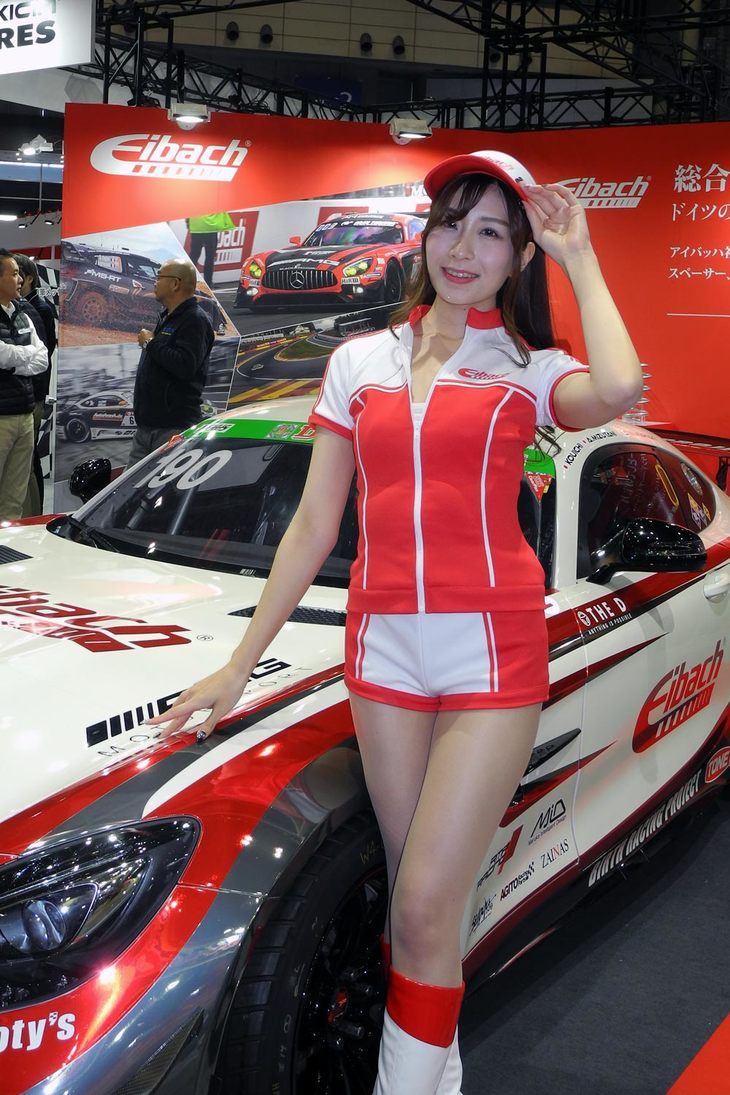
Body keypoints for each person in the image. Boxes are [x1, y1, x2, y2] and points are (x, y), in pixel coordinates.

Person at [148, 150, 642, 1093]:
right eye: (452, 222)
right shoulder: (357, 362)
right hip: (381, 654)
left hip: (490, 653)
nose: (463, 247)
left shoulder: (530, 369)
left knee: (420, 905)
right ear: (426, 235)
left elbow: (617, 389)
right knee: (417, 907)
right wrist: (239, 663)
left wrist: (579, 255)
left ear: (519, 258)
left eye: (491, 232)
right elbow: (312, 525)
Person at [127, 257, 214, 466]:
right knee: (133, 485)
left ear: (175, 283)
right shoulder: (168, 316)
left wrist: (150, 343)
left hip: (172, 429)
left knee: (167, 486)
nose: (154, 282)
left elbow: (185, 366)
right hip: (147, 429)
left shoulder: (195, 320)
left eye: (159, 277)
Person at [0, 249, 48, 523]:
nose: (20, 280)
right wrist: (24, 356)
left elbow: (42, 359)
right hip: (1, 418)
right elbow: (1, 355)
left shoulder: (23, 315)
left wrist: (16, 361)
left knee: (14, 498)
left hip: (25, 414)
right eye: (15, 273)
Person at [14, 253, 56, 515]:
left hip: (30, 398)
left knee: (27, 464)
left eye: (17, 274)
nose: (16, 280)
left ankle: (33, 516)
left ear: (27, 278)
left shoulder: (35, 310)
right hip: (24, 398)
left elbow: (41, 357)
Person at [186, 212, 236, 287]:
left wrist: (188, 224)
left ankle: (188, 282)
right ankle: (208, 283)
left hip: (196, 227)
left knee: (194, 255)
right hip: (210, 228)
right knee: (210, 256)